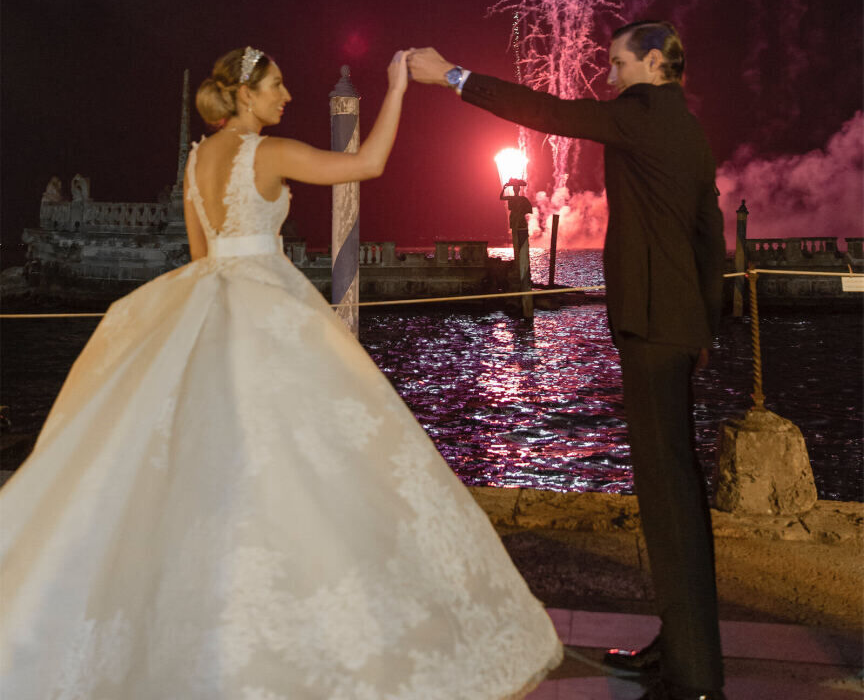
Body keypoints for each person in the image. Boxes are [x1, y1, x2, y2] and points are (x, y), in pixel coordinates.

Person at [0, 46, 562, 700]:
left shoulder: (195, 160)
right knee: (309, 460)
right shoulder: (265, 153)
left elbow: (202, 254)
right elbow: (368, 164)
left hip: (208, 304)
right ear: (243, 95)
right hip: (266, 303)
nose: (288, 96)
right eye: (276, 86)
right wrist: (398, 90)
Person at [408, 23, 728, 700]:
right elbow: (709, 235)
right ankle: (680, 646)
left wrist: (454, 76)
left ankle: (694, 678)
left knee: (668, 502)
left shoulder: (639, 115)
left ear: (650, 62)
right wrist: (704, 330)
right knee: (677, 495)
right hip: (677, 329)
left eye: (616, 63)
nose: (607, 75)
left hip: (649, 326)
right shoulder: (690, 129)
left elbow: (546, 113)